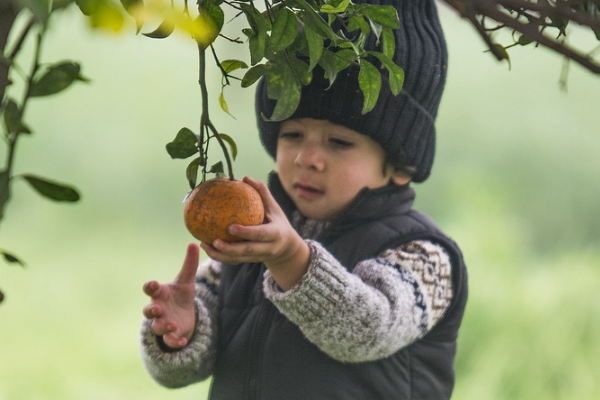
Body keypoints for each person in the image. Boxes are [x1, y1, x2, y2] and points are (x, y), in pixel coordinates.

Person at [140, 0, 468, 399]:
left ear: (400, 164)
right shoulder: (249, 246)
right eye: (293, 134)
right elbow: (181, 371)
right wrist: (180, 331)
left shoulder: (423, 256)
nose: (307, 158)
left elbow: (367, 330)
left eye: (340, 142)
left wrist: (290, 260)